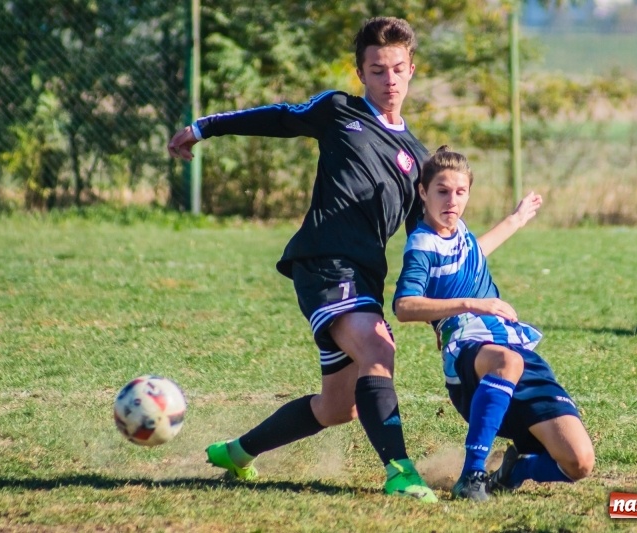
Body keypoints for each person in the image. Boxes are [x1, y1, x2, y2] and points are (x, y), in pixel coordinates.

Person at [167, 17, 437, 502]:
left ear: (412, 70)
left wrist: (441, 314)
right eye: (377, 70)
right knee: (378, 351)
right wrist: (205, 127)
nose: (389, 80)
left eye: (398, 69)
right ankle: (400, 472)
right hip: (324, 263)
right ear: (361, 73)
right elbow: (278, 117)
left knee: (338, 408)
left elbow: (424, 244)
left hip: (365, 278)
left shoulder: (418, 160)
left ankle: (237, 452)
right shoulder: (338, 111)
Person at [393, 147, 594, 501]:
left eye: (460, 192)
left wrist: (516, 219)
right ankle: (472, 475)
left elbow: (476, 251)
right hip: (470, 351)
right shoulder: (422, 245)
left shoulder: (458, 234)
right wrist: (472, 303)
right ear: (423, 192)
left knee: (579, 463)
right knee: (507, 362)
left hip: (513, 345)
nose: (452, 201)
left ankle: (516, 470)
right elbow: (404, 306)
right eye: (442, 191)